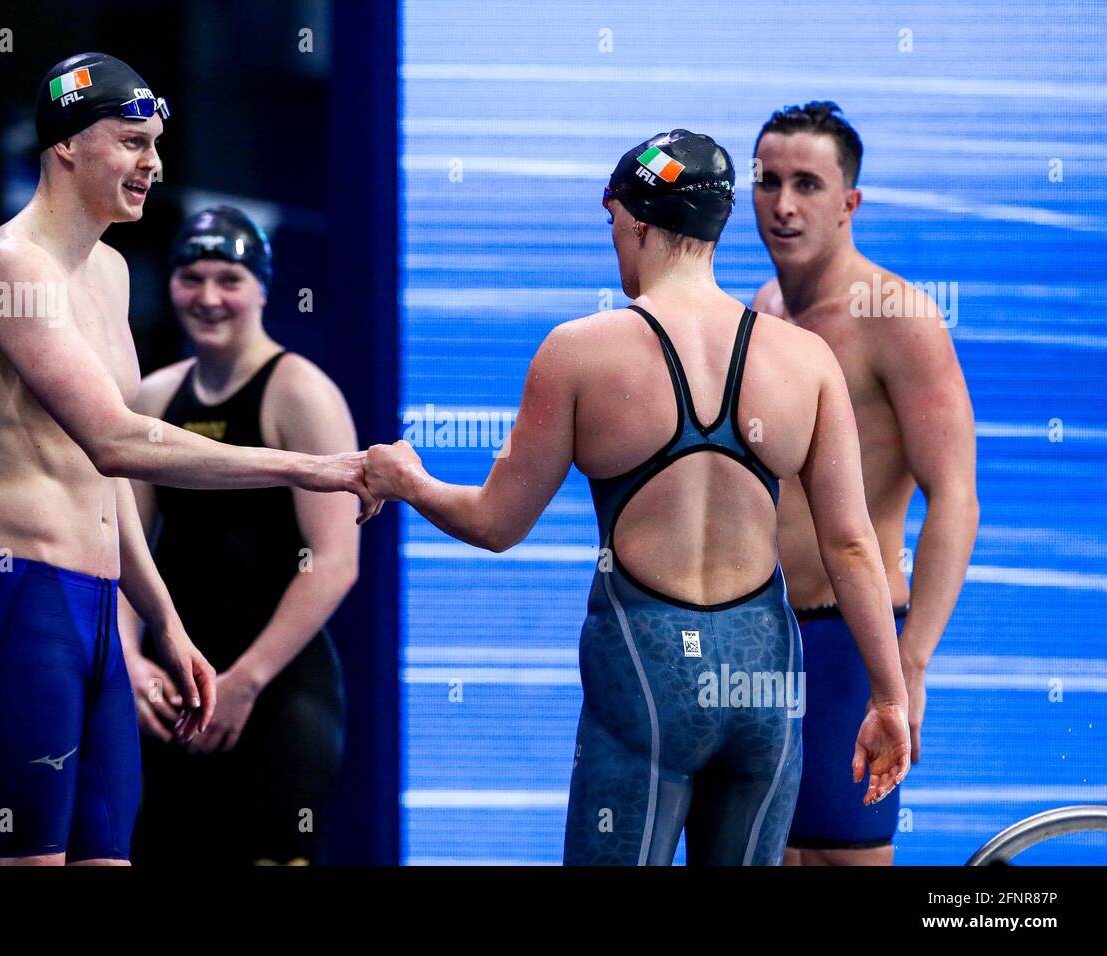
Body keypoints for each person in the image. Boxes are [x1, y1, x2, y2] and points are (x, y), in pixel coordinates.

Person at [365, 129, 911, 866]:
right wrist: (888, 696)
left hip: (648, 667)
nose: (614, 238)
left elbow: (496, 524)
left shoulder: (579, 352)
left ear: (639, 221)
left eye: (613, 221)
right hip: (764, 677)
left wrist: (407, 480)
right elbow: (851, 545)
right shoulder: (804, 358)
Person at [0, 53, 378, 867]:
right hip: (23, 606)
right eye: (134, 142)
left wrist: (165, 623)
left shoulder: (107, 272)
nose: (155, 165)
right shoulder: (7, 269)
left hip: (103, 614)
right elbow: (116, 436)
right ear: (67, 145)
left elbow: (112, 479)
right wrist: (304, 466)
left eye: (158, 145)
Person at [750, 102, 978, 866]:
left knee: (841, 859)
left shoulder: (899, 319)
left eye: (808, 185)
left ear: (850, 203)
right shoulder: (763, 310)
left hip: (848, 642)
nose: (784, 205)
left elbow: (955, 497)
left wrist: (909, 663)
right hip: (755, 638)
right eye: (769, 181)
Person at [120, 207, 358, 866]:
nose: (209, 297)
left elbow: (334, 563)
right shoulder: (152, 400)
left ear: (261, 287)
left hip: (280, 689)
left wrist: (246, 682)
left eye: (228, 278)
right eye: (191, 277)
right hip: (174, 691)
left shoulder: (301, 394)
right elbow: (126, 551)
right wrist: (131, 662)